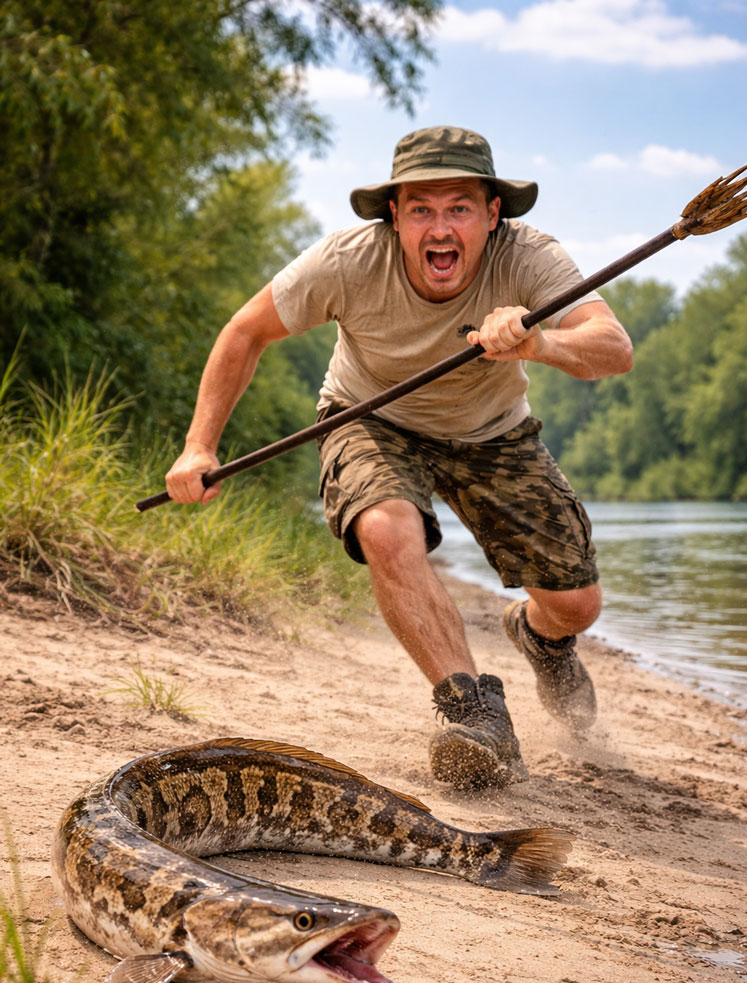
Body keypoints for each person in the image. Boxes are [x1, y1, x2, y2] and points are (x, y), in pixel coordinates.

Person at [166, 126, 633, 790]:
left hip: (492, 432)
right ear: (395, 214)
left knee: (577, 603)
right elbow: (246, 331)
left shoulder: (530, 255)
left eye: (459, 208)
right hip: (370, 419)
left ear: (492, 214)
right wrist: (198, 447)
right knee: (385, 528)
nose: (439, 228)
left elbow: (614, 348)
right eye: (421, 209)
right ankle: (472, 715)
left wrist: (539, 346)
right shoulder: (348, 260)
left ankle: (541, 638)